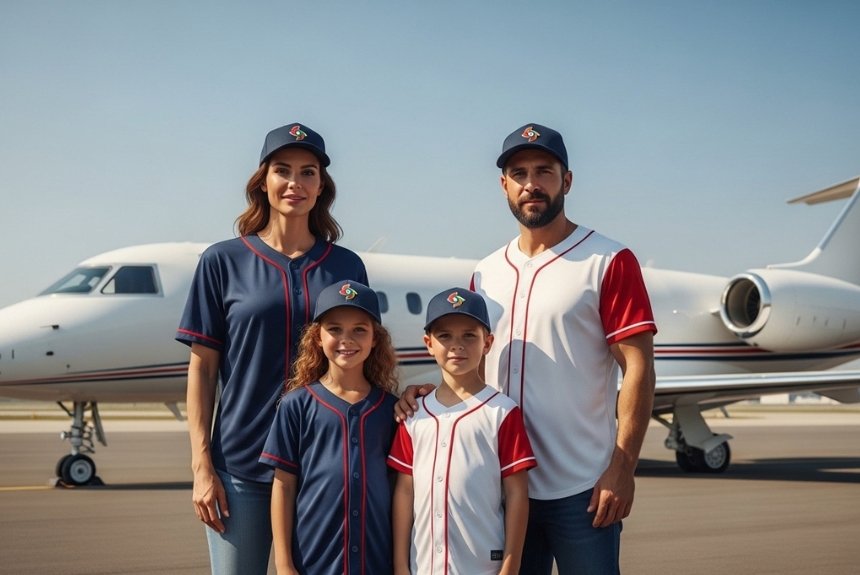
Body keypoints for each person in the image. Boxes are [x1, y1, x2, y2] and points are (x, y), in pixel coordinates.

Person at [397, 123, 657, 574]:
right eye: (519, 174)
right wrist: (427, 392)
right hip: (499, 487)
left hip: (582, 488)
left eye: (544, 171)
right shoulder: (486, 272)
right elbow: (474, 365)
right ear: (504, 186)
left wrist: (622, 467)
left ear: (567, 181)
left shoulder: (608, 260)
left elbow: (638, 368)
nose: (531, 184)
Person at [176, 122, 369, 575]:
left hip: (322, 467)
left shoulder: (346, 265)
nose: (294, 183)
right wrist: (202, 466)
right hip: (240, 468)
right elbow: (202, 371)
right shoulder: (222, 261)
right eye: (283, 170)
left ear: (322, 187)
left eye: (308, 172)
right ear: (263, 181)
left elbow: (358, 357)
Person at [389, 287, 536, 575]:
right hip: (424, 567)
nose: (457, 345)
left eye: (469, 335)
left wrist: (511, 565)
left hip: (483, 566)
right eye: (445, 336)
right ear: (428, 343)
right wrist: (399, 565)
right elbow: (404, 492)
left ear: (488, 342)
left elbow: (517, 493)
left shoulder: (503, 412)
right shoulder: (413, 415)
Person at [260, 280, 399, 575]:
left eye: (359, 329)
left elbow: (400, 490)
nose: (346, 339)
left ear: (375, 338)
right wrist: (284, 563)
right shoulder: (295, 405)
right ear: (318, 338)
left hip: (376, 562)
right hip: (314, 561)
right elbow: (283, 487)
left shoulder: (391, 409)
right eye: (334, 329)